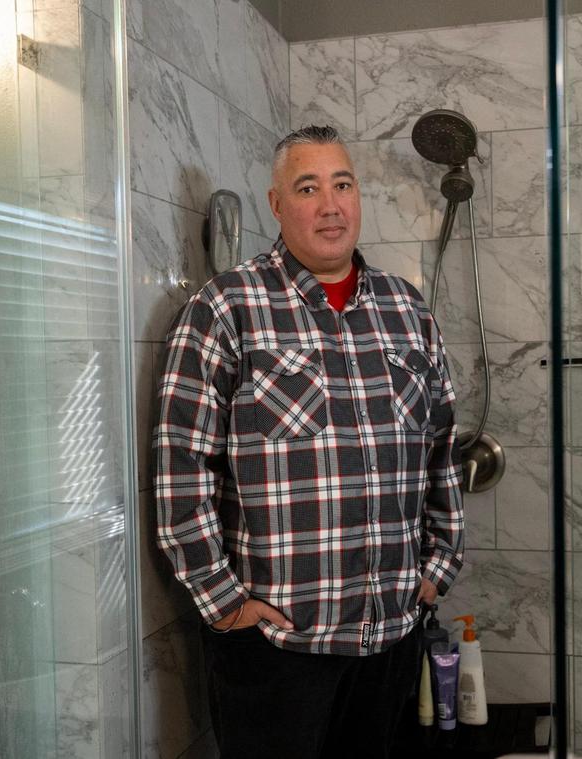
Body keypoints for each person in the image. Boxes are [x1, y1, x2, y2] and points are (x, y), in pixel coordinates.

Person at [154, 124, 464, 758]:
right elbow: (182, 472)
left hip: (390, 636)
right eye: (308, 187)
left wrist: (438, 564)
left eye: (343, 185)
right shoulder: (226, 310)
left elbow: (442, 449)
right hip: (277, 647)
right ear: (275, 203)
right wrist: (223, 603)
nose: (330, 205)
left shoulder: (408, 311)